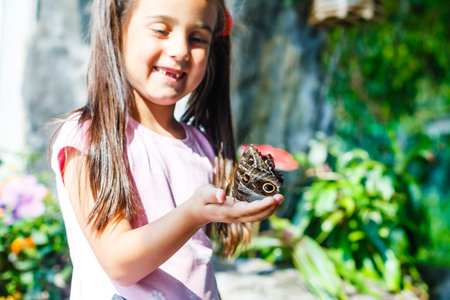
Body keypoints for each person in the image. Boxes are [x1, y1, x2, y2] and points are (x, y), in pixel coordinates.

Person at [50, 0, 284, 299]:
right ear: (116, 30)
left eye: (198, 38)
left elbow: (197, 269)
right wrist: (193, 214)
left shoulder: (201, 147)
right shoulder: (88, 136)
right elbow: (120, 263)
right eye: (161, 30)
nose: (181, 51)